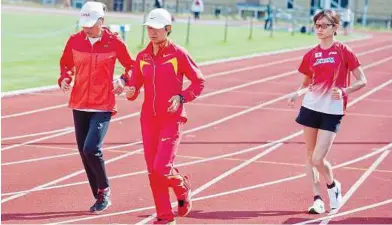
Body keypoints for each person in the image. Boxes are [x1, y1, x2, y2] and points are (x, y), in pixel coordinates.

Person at [124, 8, 205, 225]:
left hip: (172, 118)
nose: (152, 32)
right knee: (153, 171)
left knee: (161, 167)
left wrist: (182, 97)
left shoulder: (178, 54)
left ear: (167, 29)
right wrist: (131, 92)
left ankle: (182, 187)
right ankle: (164, 217)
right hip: (148, 119)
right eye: (149, 28)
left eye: (157, 28)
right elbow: (134, 86)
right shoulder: (142, 56)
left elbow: (199, 82)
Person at [288, 9, 367, 214]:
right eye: (317, 25)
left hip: (332, 110)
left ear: (335, 28)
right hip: (311, 107)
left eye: (324, 25)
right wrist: (297, 94)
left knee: (318, 158)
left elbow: (362, 80)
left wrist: (344, 90)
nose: (320, 29)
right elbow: (307, 83)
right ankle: (317, 199)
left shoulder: (344, 51)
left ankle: (333, 185)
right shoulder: (311, 55)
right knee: (309, 155)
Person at [58, 1, 134, 213]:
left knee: (92, 149)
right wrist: (65, 78)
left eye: (91, 24)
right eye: (84, 23)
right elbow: (66, 64)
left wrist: (123, 80)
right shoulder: (74, 41)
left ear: (102, 21)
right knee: (84, 152)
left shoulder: (114, 42)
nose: (86, 28)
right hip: (79, 103)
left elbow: (132, 66)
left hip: (103, 104)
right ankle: (100, 194)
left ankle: (104, 190)